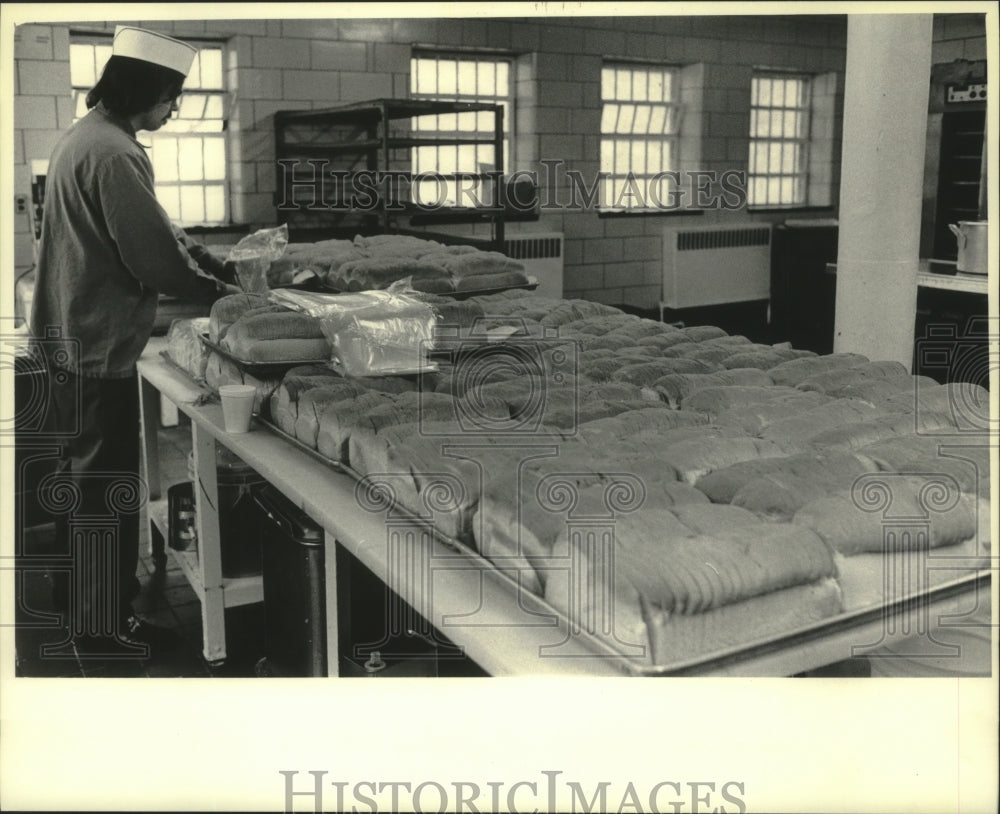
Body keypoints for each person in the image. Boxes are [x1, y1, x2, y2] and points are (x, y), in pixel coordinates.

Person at [30, 26, 235, 662]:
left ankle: (76, 597)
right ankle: (102, 628)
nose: (173, 109)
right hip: (94, 350)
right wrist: (221, 294)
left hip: (68, 344)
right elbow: (154, 259)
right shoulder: (115, 153)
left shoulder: (90, 137)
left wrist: (212, 261)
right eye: (172, 96)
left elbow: (157, 228)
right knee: (104, 492)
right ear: (146, 90)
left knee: (81, 484)